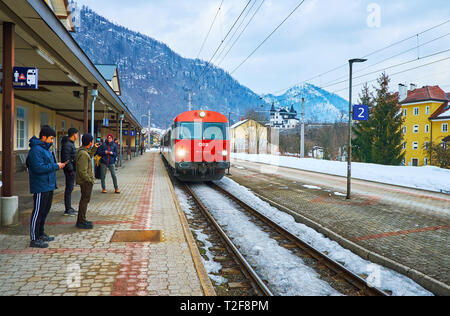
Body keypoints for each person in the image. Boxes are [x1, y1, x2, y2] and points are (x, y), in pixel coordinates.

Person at [27, 125, 66, 248]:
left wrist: (56, 165)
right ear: (43, 137)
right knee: (38, 212)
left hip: (48, 185)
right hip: (40, 185)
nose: (52, 141)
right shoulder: (35, 150)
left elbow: (48, 165)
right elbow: (38, 168)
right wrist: (56, 166)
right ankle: (34, 238)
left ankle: (41, 233)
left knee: (45, 211)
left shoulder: (45, 149)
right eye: (50, 138)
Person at [75, 134, 100, 229]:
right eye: (92, 141)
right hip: (85, 182)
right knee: (84, 200)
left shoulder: (83, 151)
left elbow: (89, 155)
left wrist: (94, 148)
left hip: (85, 181)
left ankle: (82, 219)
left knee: (84, 200)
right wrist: (89, 180)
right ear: (90, 142)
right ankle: (81, 221)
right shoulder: (83, 154)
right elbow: (82, 171)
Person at [61, 128, 78, 216]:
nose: (77, 136)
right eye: (77, 134)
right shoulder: (68, 145)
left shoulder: (70, 144)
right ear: (74, 134)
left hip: (71, 170)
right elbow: (66, 159)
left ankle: (69, 207)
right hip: (69, 171)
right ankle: (67, 209)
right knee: (69, 189)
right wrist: (71, 170)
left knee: (70, 189)